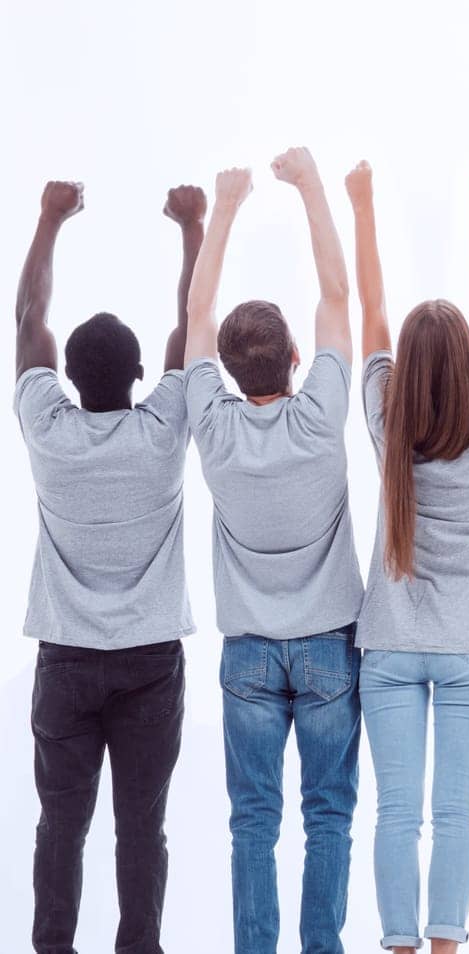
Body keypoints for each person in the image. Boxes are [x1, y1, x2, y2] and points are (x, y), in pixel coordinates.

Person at [16, 179, 204, 954]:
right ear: (136, 380)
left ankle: (52, 947)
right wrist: (193, 227)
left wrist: (50, 217)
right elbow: (191, 330)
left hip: (65, 663)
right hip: (149, 666)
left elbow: (29, 319)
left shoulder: (46, 428)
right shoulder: (162, 431)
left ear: (68, 376)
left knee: (60, 824)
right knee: (142, 827)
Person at [184, 150, 364, 954]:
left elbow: (194, 320)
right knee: (328, 815)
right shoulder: (323, 414)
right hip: (330, 647)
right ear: (297, 360)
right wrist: (310, 185)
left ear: (225, 371)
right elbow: (336, 293)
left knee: (252, 823)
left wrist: (222, 208)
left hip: (249, 653)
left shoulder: (212, 427)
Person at [344, 158, 469, 953]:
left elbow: (372, 313)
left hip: (387, 647)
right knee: (456, 814)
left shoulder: (387, 426)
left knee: (395, 813)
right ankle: (445, 944)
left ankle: (399, 944)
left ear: (406, 372)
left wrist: (361, 205)